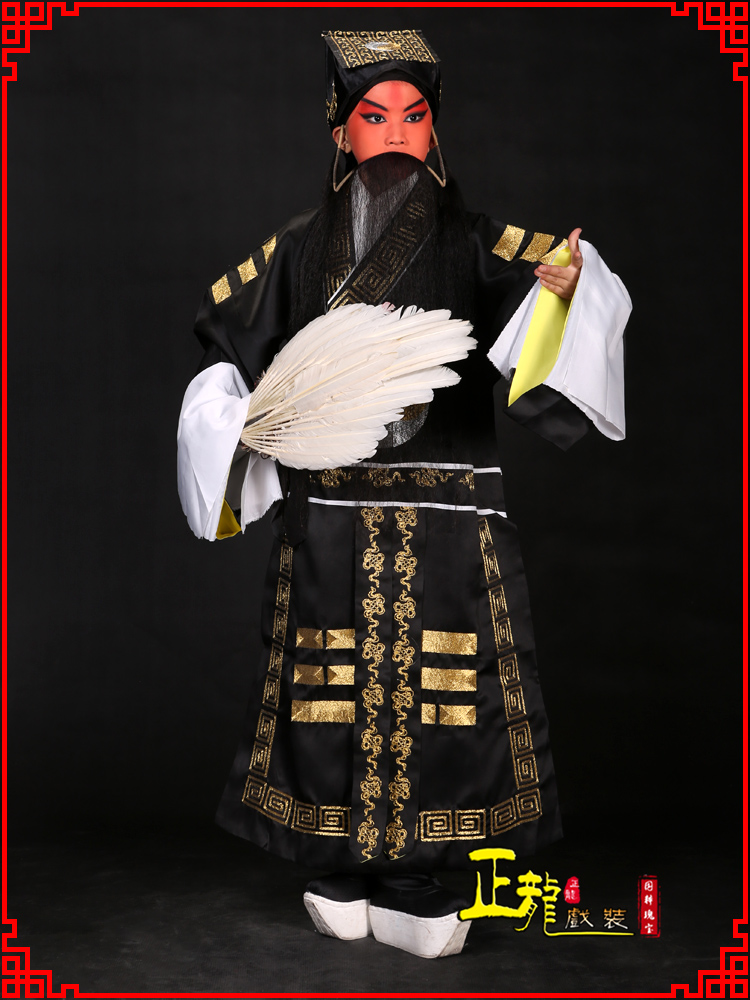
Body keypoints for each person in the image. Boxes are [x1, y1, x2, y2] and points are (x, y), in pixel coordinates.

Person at [177, 29, 631, 959]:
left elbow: (559, 323)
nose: (394, 133)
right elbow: (225, 352)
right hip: (329, 515)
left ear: (434, 131)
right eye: (373, 115)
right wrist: (235, 421)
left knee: (444, 695)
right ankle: (337, 860)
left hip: (449, 518)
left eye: (414, 117)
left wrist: (571, 287)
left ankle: (418, 873)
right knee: (329, 687)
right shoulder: (296, 249)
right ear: (340, 131)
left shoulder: (480, 243)